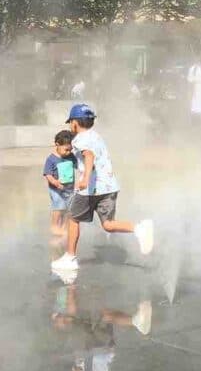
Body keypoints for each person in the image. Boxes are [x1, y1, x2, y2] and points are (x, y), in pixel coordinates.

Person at [50, 103, 154, 274]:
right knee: (108, 224)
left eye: (70, 122)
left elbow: (88, 156)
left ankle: (70, 258)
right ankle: (139, 228)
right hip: (109, 186)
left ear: (75, 122)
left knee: (73, 218)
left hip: (91, 189)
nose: (70, 125)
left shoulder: (80, 140)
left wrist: (84, 177)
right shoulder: (96, 136)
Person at [43, 129, 77, 238]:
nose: (68, 152)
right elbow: (47, 174)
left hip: (69, 189)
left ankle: (63, 227)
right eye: (66, 149)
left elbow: (78, 166)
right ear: (57, 145)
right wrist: (55, 182)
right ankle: (54, 227)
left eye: (70, 150)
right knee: (58, 207)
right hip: (56, 189)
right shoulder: (51, 159)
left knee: (69, 209)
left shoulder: (71, 156)